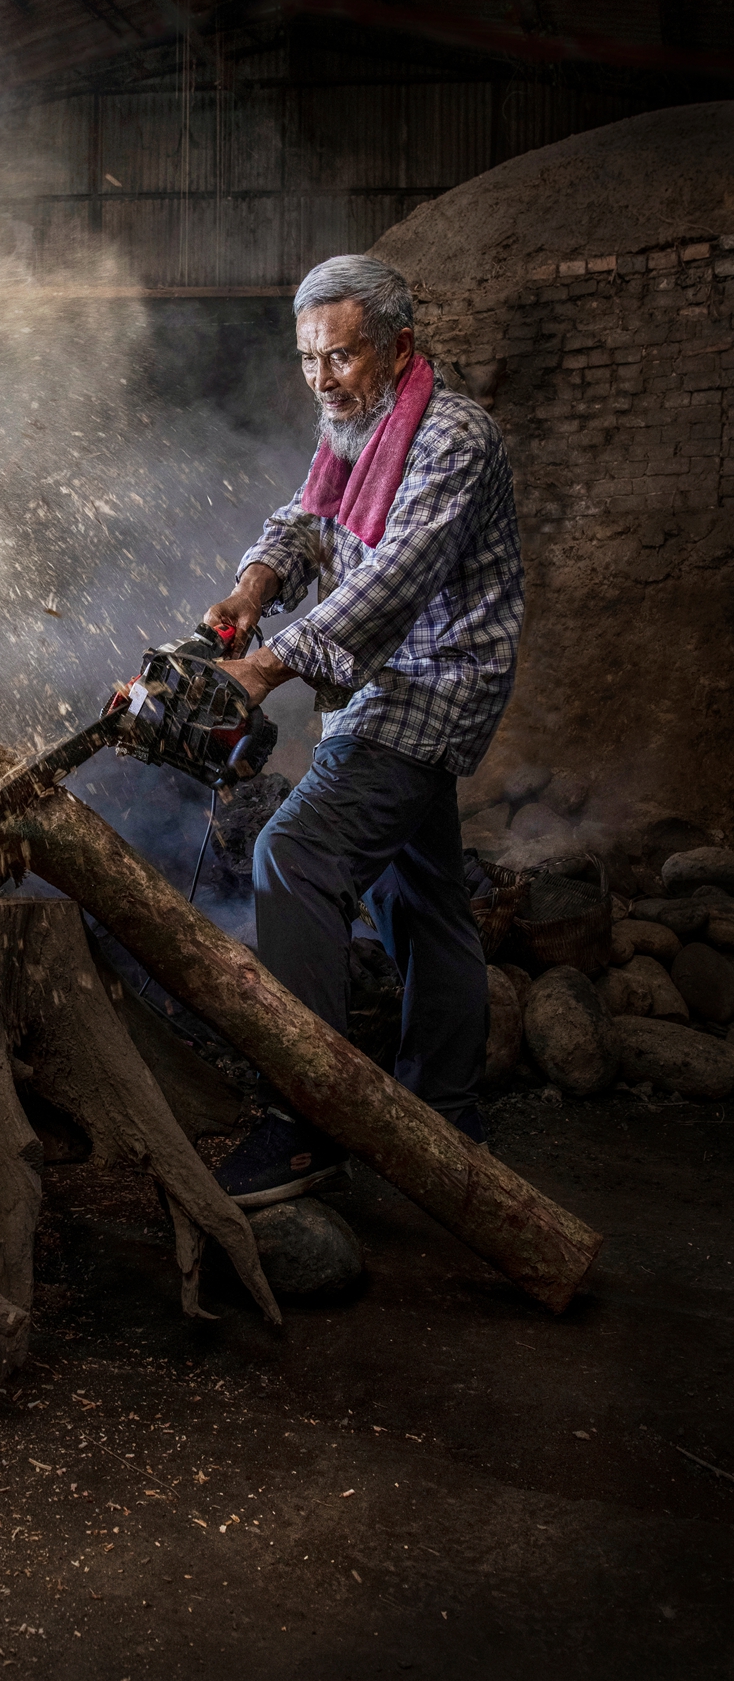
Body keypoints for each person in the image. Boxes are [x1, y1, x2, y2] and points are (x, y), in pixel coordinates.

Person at [203, 253, 524, 1207]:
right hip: (381, 684)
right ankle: (447, 1118)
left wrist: (263, 668)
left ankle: (309, 1122)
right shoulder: (355, 425)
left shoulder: (452, 435)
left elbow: (391, 582)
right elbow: (308, 521)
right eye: (308, 359)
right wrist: (252, 589)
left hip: (433, 682)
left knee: (294, 856)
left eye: (339, 357)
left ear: (399, 346)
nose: (322, 379)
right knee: (422, 901)